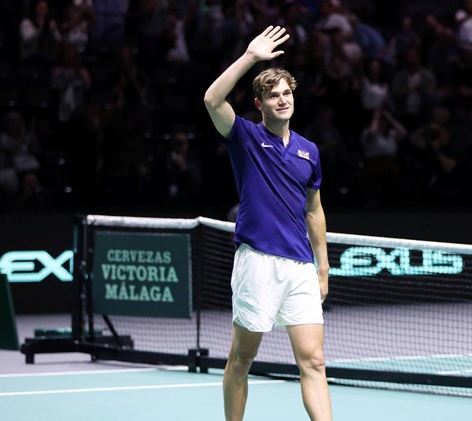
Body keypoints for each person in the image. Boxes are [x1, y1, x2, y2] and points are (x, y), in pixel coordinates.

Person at [203, 26, 332, 421]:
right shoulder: (243, 137)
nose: (282, 99)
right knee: (242, 358)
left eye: (287, 93)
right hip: (257, 261)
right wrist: (250, 57)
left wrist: (323, 266)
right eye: (273, 95)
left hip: (300, 267)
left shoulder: (309, 152)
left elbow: (315, 211)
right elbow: (212, 98)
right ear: (259, 104)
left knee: (314, 361)